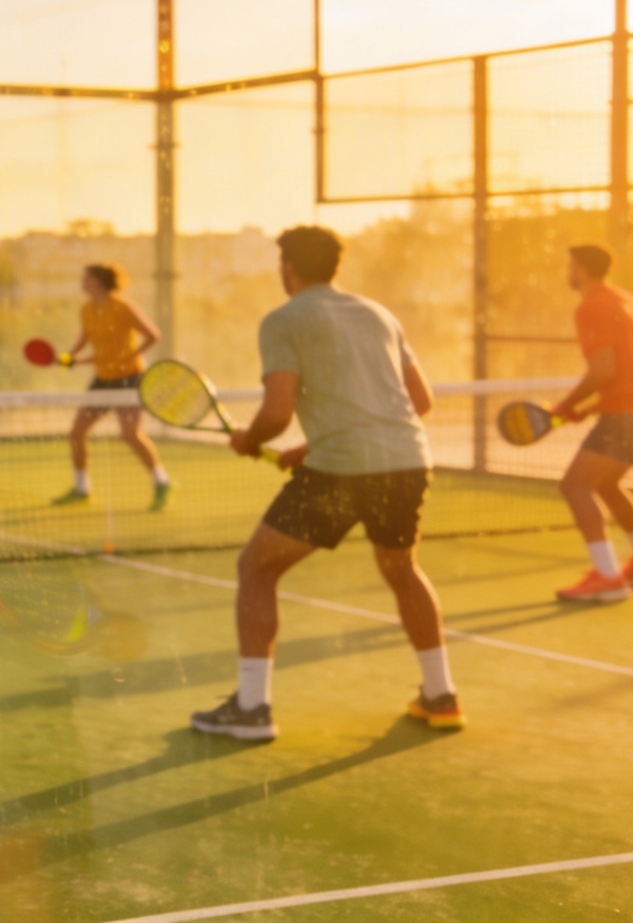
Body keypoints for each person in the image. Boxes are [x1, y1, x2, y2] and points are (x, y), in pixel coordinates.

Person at [190, 225, 464, 741]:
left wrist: (251, 439)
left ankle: (251, 708)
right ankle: (442, 695)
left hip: (344, 469)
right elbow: (419, 402)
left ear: (288, 268)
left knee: (256, 567)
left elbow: (276, 411)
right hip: (408, 461)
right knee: (403, 570)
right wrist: (308, 448)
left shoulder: (283, 320)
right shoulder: (380, 314)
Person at [548, 244, 633, 604]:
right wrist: (587, 409)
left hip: (630, 413)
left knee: (575, 486)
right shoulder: (628, 301)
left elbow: (604, 369)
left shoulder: (591, 307)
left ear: (582, 269)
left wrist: (564, 406)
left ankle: (608, 578)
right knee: (605, 484)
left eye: (570, 265)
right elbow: (628, 370)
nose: (567, 272)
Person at [51, 263, 172, 510]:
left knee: (129, 434)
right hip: (102, 379)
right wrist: (68, 357)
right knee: (76, 432)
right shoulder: (86, 309)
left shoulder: (122, 308)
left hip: (130, 378)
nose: (82, 281)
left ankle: (162, 482)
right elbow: (84, 340)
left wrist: (130, 356)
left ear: (97, 281)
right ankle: (81, 487)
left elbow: (153, 335)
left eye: (86, 278)